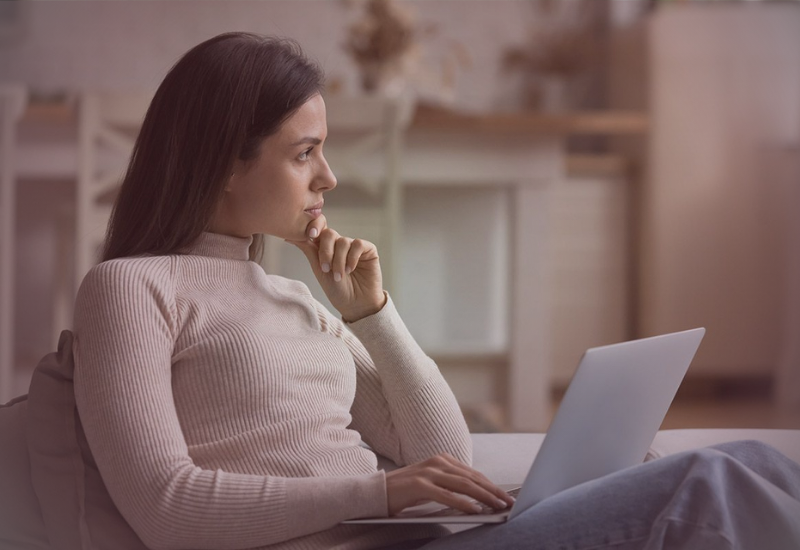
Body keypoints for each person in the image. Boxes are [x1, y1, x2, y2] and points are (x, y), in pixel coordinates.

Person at [72, 32, 800, 550]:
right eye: (305, 154)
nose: (328, 178)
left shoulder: (295, 302)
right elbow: (167, 509)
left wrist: (374, 317)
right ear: (224, 163)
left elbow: (446, 453)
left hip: (425, 540)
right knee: (709, 485)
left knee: (754, 461)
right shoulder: (130, 289)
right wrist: (380, 495)